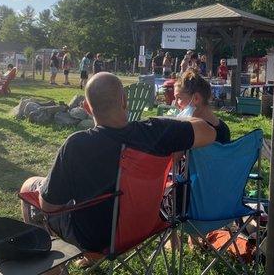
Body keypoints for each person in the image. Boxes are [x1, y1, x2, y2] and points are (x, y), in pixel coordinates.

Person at [20, 72, 216, 255]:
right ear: (125, 100)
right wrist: (169, 122)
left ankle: (51, 267)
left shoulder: (76, 145)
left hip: (95, 240)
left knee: (30, 184)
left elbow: (49, 206)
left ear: (87, 108)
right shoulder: (157, 131)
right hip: (143, 227)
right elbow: (209, 132)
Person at [174, 69, 231, 143]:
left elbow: (175, 155)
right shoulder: (224, 129)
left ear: (196, 98)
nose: (175, 104)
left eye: (179, 98)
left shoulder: (190, 130)